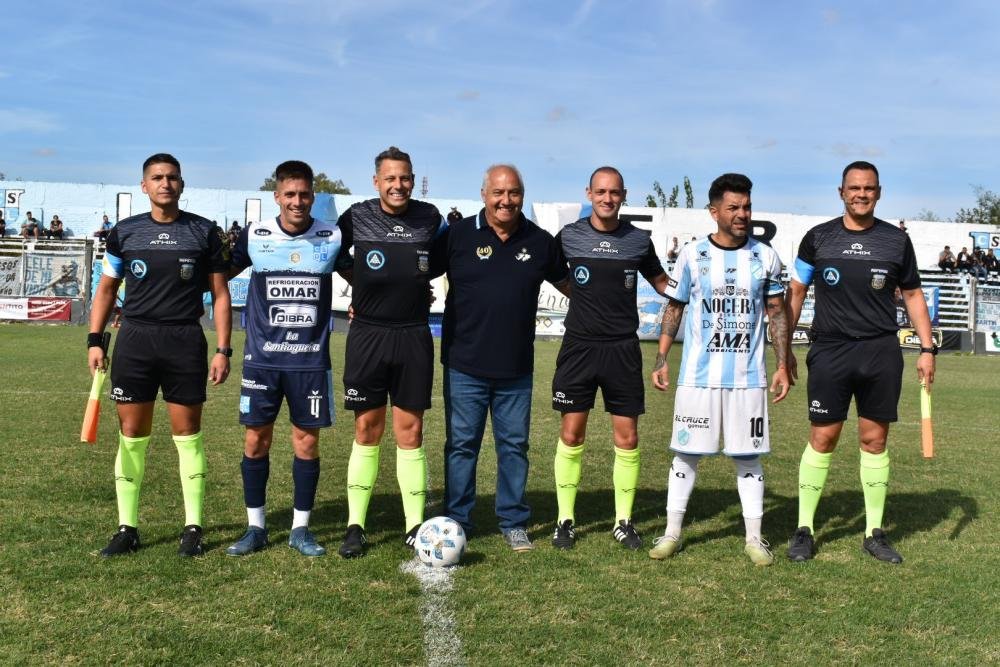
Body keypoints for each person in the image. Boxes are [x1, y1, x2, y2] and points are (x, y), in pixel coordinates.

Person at [785, 161, 935, 564]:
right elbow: (796, 293)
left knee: (874, 440)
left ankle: (874, 532)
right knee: (823, 439)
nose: (861, 194)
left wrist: (926, 349)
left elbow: (914, 295)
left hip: (880, 352)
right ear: (841, 192)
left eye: (868, 188)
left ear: (879, 192)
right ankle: (804, 529)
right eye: (854, 188)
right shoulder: (817, 238)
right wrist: (782, 351)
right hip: (830, 350)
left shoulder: (896, 242)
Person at [88, 153, 232, 558]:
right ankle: (127, 528)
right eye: (157, 177)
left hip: (185, 341)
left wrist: (223, 349)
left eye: (172, 177)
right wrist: (95, 340)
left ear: (181, 184)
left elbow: (221, 296)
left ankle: (193, 527)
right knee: (132, 436)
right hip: (135, 341)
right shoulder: (124, 232)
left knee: (188, 437)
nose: (165, 183)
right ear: (144, 186)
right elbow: (105, 290)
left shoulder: (204, 232)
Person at [648, 173, 790, 566]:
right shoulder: (693, 254)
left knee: (748, 457)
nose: (742, 214)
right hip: (698, 377)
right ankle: (672, 533)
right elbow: (674, 307)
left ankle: (754, 538)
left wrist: (783, 364)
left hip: (748, 379)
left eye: (746, 206)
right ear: (714, 212)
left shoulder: (766, 256)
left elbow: (777, 312)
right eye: (733, 207)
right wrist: (661, 359)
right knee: (686, 456)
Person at [224, 160, 351, 558]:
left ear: (313, 196)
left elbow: (365, 278)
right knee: (255, 440)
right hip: (261, 360)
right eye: (290, 194)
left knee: (306, 444)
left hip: (310, 363)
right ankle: (255, 528)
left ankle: (301, 529)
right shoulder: (256, 234)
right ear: (277, 196)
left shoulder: (331, 236)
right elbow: (218, 273)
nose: (297, 201)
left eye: (304, 194)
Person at [440, 164, 569, 551]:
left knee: (514, 446)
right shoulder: (457, 236)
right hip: (464, 364)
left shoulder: (541, 242)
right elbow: (415, 274)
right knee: (462, 445)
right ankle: (459, 519)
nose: (505, 200)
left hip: (515, 368)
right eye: (498, 193)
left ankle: (513, 520)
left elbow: (570, 287)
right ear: (483, 195)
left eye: (513, 193)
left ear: (522, 196)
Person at [335, 146, 447, 558]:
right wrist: (362, 282)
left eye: (405, 178)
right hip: (367, 334)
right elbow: (332, 256)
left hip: (414, 334)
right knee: (367, 430)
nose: (398, 185)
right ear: (376, 181)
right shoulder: (355, 217)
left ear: (412, 181)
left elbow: (435, 263)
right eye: (390, 178)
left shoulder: (430, 218)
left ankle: (413, 525)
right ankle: (355, 526)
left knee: (411, 432)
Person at [550, 166, 668, 550]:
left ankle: (623, 521)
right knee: (572, 433)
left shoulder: (638, 241)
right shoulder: (569, 236)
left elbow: (662, 282)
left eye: (614, 193)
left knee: (628, 436)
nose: (607, 198)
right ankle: (564, 520)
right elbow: (550, 272)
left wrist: (696, 286)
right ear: (589, 193)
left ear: (623, 195)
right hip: (579, 347)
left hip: (622, 348)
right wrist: (580, 296)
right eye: (600, 191)